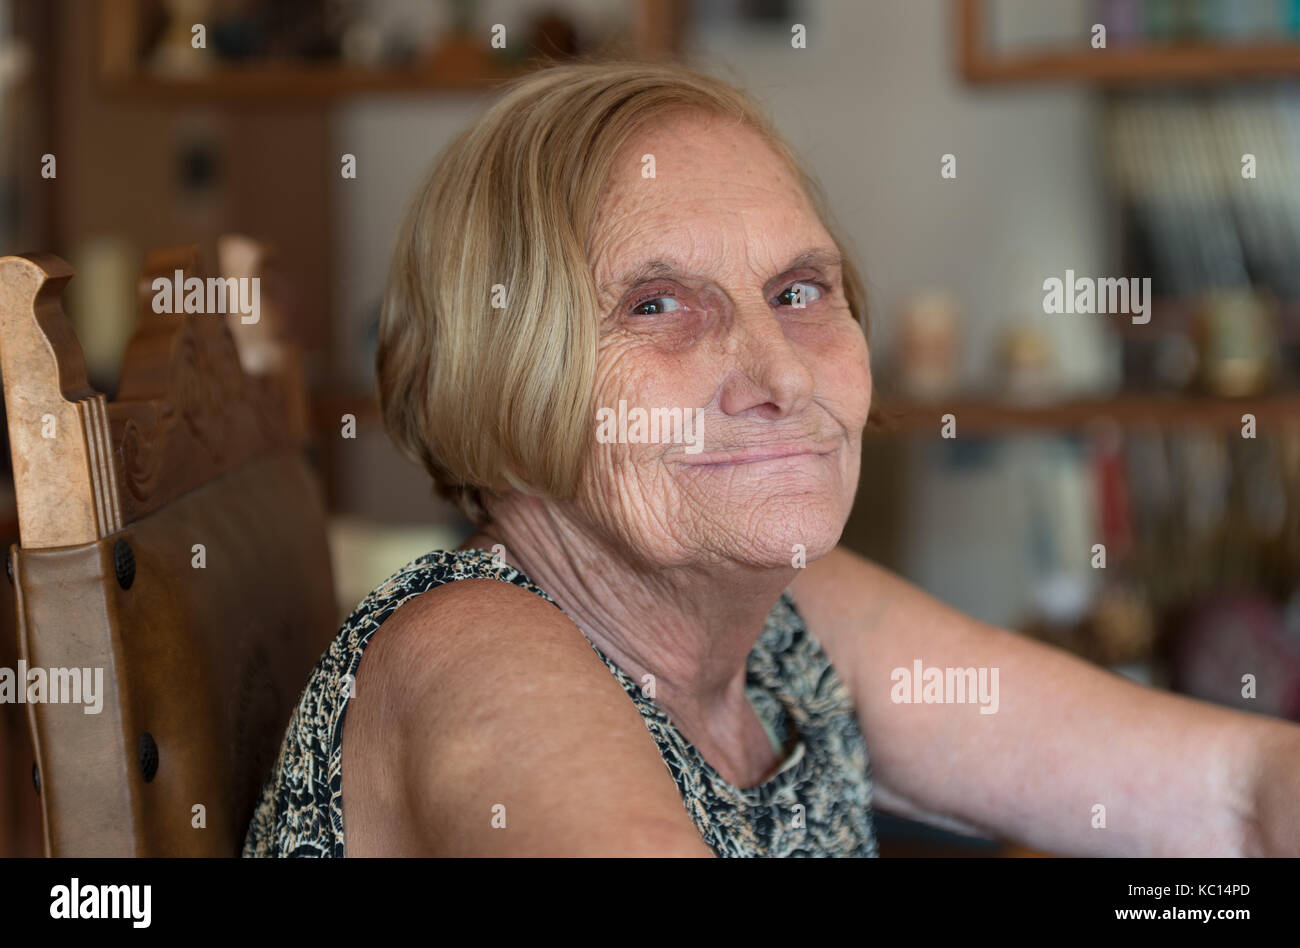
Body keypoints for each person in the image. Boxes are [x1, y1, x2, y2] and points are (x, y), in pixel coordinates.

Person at [244, 60, 1300, 857]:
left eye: (799, 292)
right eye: (655, 306)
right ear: (499, 366)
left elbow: (1237, 793)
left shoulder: (792, 617)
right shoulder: (480, 658)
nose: (779, 377)